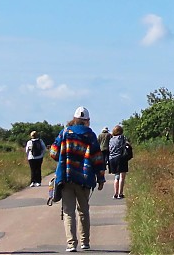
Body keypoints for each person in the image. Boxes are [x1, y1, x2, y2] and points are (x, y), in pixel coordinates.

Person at [49, 106, 106, 252]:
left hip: (66, 177)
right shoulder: (90, 135)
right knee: (83, 210)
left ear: (74, 119)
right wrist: (100, 178)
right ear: (87, 121)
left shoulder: (65, 133)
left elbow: (54, 153)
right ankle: (85, 242)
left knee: (68, 211)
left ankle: (71, 244)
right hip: (85, 179)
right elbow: (97, 158)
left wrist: (64, 156)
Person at [108, 124, 131, 199]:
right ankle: (120, 193)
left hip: (112, 159)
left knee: (116, 177)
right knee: (122, 177)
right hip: (121, 158)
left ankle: (115, 193)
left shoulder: (111, 139)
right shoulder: (122, 138)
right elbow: (127, 144)